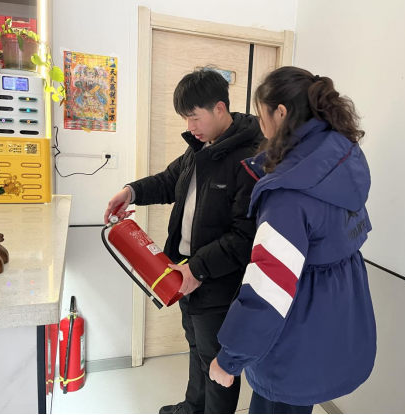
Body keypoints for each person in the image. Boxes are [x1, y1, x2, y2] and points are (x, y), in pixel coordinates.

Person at [209, 67, 377, 415]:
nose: (260, 125)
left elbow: (269, 287)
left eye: (261, 115)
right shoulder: (342, 158)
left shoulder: (289, 194)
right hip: (336, 321)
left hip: (295, 334)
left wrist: (229, 359)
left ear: (281, 113)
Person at [104, 69, 264, 414]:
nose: (190, 127)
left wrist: (199, 268)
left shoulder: (249, 159)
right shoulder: (200, 148)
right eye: (185, 119)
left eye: (194, 117)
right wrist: (131, 192)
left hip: (217, 280)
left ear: (219, 108)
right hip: (184, 272)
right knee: (196, 347)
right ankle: (193, 407)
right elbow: (168, 182)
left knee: (218, 364)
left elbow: (244, 237)